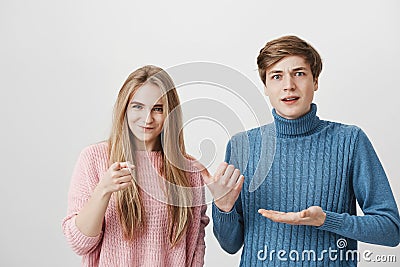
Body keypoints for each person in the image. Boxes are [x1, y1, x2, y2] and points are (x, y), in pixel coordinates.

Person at [198, 35, 400, 266]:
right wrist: (223, 208)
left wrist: (326, 220)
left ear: (315, 81)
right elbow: (230, 245)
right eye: (276, 76)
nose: (288, 86)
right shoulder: (242, 146)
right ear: (265, 87)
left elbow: (390, 229)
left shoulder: (350, 141)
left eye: (299, 73)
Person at [62, 65, 209, 267]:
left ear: (170, 113)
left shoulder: (190, 171)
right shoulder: (94, 159)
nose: (147, 119)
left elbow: (194, 250)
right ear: (124, 108)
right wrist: (103, 191)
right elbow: (79, 243)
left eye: (158, 109)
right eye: (137, 106)